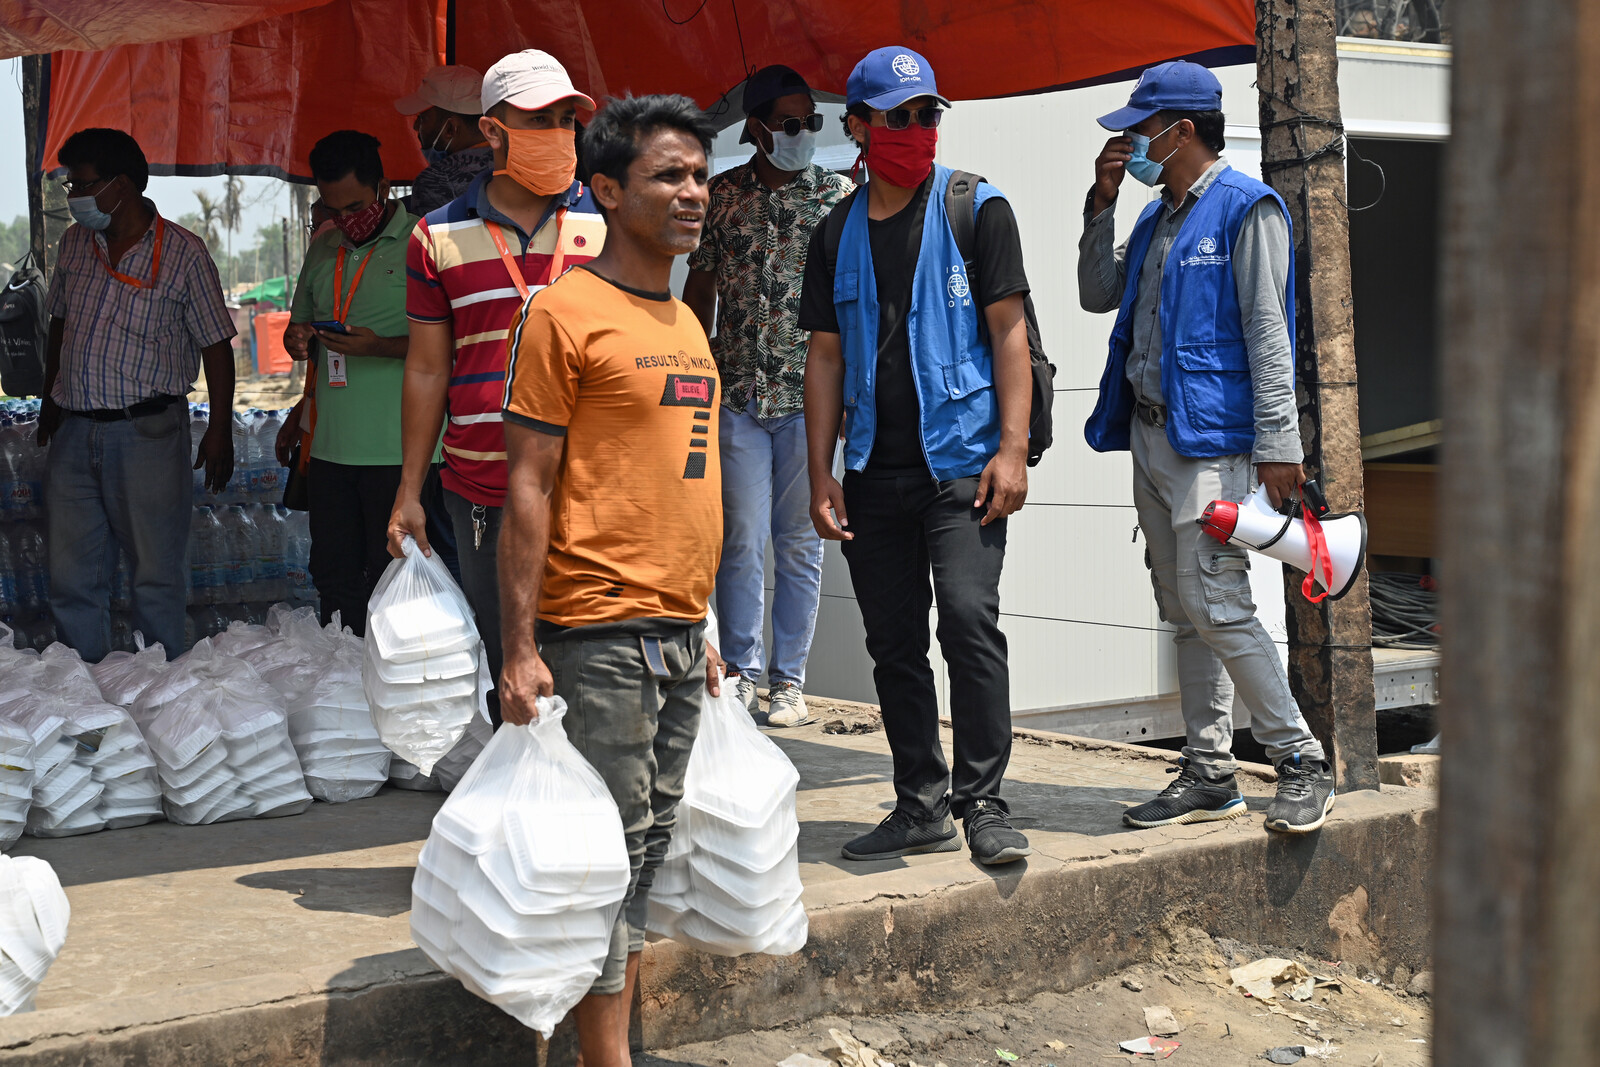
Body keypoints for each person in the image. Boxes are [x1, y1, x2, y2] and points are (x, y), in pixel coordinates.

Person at [498, 94, 721, 1067]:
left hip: (675, 630)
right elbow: (527, 483)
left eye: (699, 175)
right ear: (606, 190)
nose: (692, 194)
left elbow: (682, 475)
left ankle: (606, 1047)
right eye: (668, 175)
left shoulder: (682, 316)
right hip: (597, 631)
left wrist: (701, 621)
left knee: (646, 850)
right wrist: (516, 646)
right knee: (607, 859)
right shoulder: (562, 313)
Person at [1077, 61, 1336, 834]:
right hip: (1154, 436)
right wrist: (1100, 203)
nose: (1134, 143)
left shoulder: (1243, 209)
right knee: (1186, 609)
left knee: (1218, 602)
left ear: (1181, 130)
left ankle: (1300, 759)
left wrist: (1279, 445)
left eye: (1143, 128)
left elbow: (1268, 329)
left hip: (1212, 445)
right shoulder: (1159, 216)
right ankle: (1210, 769)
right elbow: (1098, 292)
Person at [799, 47, 1034, 866]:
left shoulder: (977, 208)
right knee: (893, 642)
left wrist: (1012, 448)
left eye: (928, 113)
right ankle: (920, 802)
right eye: (899, 117)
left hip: (962, 464)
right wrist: (821, 470)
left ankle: (985, 802)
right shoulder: (833, 232)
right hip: (871, 471)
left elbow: (1010, 334)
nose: (917, 130)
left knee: (969, 622)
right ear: (860, 127)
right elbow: (824, 356)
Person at [389, 49, 605, 725]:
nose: (560, 132)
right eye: (540, 118)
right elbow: (427, 368)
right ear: (492, 132)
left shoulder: (610, 223)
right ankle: (525, 804)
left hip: (594, 483)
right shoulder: (436, 235)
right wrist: (408, 490)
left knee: (593, 660)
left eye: (568, 118)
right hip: (481, 488)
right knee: (510, 661)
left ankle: (595, 812)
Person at [681, 65, 853, 728]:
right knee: (743, 538)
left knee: (802, 541)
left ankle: (789, 680)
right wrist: (693, 379)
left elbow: (853, 302)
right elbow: (699, 294)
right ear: (755, 127)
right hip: (739, 394)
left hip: (812, 400)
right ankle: (745, 671)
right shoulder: (722, 196)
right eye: (789, 123)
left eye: (811, 122)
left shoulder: (839, 197)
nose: (803, 133)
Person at [38, 128, 235, 661]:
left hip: (147, 432)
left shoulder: (184, 254)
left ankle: (162, 697)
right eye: (70, 185)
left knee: (155, 573)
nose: (74, 196)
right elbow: (59, 320)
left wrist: (220, 431)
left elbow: (217, 345)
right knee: (72, 574)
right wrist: (50, 394)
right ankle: (85, 696)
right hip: (75, 431)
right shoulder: (75, 244)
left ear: (120, 186)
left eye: (83, 184)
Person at [282, 131, 419, 635]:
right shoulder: (324, 247)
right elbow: (302, 329)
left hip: (400, 450)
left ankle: (395, 688)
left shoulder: (424, 243)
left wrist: (380, 346)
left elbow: (455, 345)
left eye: (356, 205)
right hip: (331, 449)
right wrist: (298, 341)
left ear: (383, 188)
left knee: (397, 581)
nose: (346, 220)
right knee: (335, 577)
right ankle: (337, 685)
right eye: (333, 209)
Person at [394, 65, 494, 216]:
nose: (416, 126)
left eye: (423, 118)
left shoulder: (434, 181)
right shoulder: (519, 164)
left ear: (450, 129)